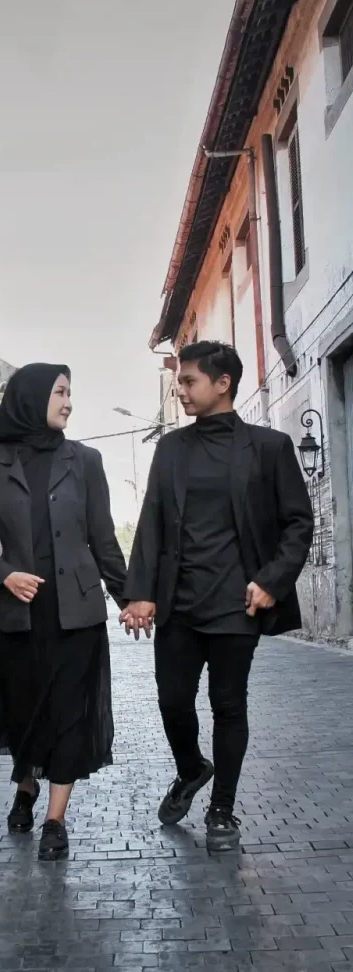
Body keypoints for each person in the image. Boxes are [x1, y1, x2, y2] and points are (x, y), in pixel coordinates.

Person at [122, 341, 313, 852]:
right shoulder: (171, 449)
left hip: (237, 603)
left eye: (189, 382)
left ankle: (222, 809)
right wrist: (139, 593)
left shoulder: (269, 448)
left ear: (222, 383)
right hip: (179, 604)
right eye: (179, 383)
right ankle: (191, 769)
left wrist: (272, 580)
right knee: (172, 701)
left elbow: (299, 523)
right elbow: (152, 521)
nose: (181, 391)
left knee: (228, 705)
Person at [0, 363, 126, 861]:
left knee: (69, 714)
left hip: (77, 612)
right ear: (32, 398)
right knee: (23, 710)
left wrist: (130, 598)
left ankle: (56, 819)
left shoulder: (86, 460)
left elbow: (103, 536)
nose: (69, 402)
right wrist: (4, 574)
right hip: (19, 612)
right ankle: (26, 784)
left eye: (70, 393)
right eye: (60, 392)